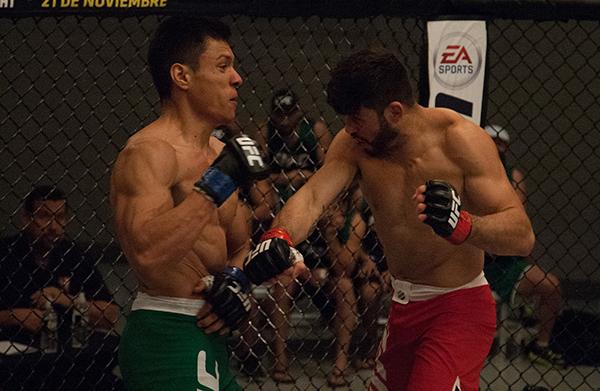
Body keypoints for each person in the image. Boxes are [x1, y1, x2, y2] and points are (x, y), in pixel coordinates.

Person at [243, 49, 535, 391]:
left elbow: (522, 235)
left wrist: (464, 224)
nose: (348, 129)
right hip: (403, 308)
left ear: (394, 112)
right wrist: (280, 235)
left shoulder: (460, 141)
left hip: (457, 307)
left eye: (356, 118)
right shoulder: (354, 145)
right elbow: (312, 197)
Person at [110, 16, 296, 391]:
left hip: (212, 339)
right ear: (182, 76)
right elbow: (147, 255)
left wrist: (238, 281)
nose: (237, 78)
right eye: (223, 66)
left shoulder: (218, 152)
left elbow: (239, 245)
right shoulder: (148, 154)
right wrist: (215, 186)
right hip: (167, 337)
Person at [0, 185, 121, 390]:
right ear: (26, 218)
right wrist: (15, 316)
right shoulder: (6, 255)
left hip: (68, 355)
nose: (53, 226)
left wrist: (67, 300)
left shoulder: (74, 255)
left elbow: (111, 315)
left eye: (60, 218)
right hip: (16, 356)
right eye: (44, 217)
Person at [483, 124, 564, 367]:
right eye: (491, 141)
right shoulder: (469, 170)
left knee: (551, 286)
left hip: (507, 262)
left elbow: (515, 223)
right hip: (473, 255)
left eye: (500, 143)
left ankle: (540, 345)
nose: (496, 147)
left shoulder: (512, 176)